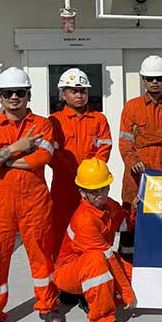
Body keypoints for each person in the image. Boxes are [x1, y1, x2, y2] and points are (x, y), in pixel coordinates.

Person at [0, 67, 65, 322]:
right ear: (0, 97)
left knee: (41, 256)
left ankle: (48, 306)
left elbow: (42, 158)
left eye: (19, 92)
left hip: (34, 202)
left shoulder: (43, 125)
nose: (14, 97)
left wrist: (2, 159)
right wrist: (16, 147)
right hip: (0, 204)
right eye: (8, 93)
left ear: (28, 95)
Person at [54, 159, 135, 322]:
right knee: (97, 259)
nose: (101, 194)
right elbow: (106, 256)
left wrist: (137, 208)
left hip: (96, 260)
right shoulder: (84, 220)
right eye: (94, 191)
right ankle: (101, 321)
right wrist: (126, 292)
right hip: (70, 272)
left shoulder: (109, 205)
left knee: (134, 277)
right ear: (82, 192)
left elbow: (125, 222)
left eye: (103, 188)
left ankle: (85, 296)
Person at [118, 55, 162, 253]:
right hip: (136, 177)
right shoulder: (131, 107)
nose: (154, 82)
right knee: (131, 225)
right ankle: (127, 273)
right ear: (143, 79)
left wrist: (141, 135)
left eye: (158, 78)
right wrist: (133, 161)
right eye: (149, 78)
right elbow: (124, 142)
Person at [49, 68, 112, 257]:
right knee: (62, 228)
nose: (79, 95)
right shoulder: (54, 121)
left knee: (94, 227)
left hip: (93, 187)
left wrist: (91, 174)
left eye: (83, 91)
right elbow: (53, 154)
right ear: (63, 94)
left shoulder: (99, 119)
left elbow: (104, 149)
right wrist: (74, 173)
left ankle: (93, 269)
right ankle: (64, 274)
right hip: (64, 186)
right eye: (74, 91)